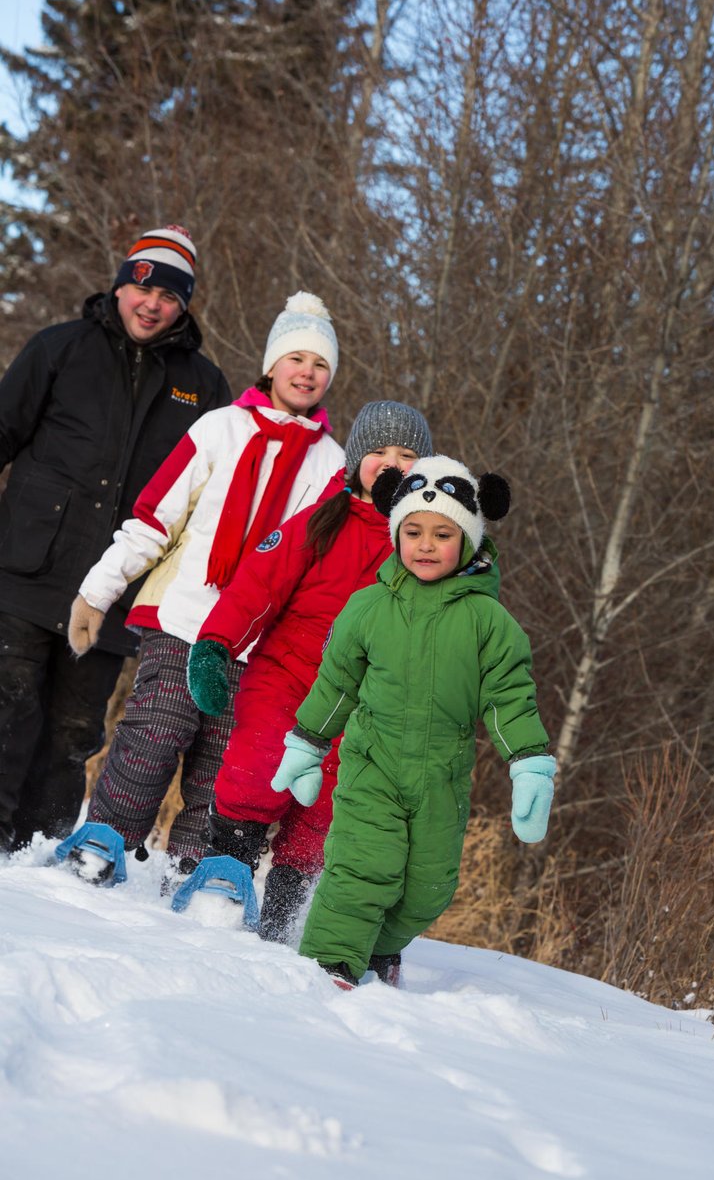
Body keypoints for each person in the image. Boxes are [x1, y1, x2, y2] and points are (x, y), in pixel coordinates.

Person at [65, 292, 344, 873]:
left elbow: (317, 569)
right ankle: (102, 844)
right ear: (272, 365)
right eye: (297, 359)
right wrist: (100, 587)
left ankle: (194, 871)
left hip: (257, 641)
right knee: (155, 732)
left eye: (320, 365)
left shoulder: (332, 466)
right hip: (185, 614)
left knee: (225, 758)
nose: (307, 372)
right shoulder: (220, 428)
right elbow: (155, 517)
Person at [269, 454, 557, 989]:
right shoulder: (367, 608)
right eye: (414, 531)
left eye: (443, 533)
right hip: (371, 767)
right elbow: (334, 687)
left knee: (430, 888)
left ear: (468, 541)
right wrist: (307, 745)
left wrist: (530, 765)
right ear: (396, 532)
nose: (426, 545)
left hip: (441, 778)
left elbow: (509, 700)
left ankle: (376, 949)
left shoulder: (490, 623)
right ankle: (328, 965)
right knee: (363, 870)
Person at [0, 225, 231, 851]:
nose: (151, 304)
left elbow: (213, 497)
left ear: (183, 305)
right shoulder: (60, 348)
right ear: (122, 285)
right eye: (142, 287)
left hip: (113, 594)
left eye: (169, 296)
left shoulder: (204, 387)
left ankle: (39, 853)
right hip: (23, 571)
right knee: (7, 712)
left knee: (74, 733)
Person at [186, 400, 433, 942]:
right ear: (354, 461)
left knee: (331, 802)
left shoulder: (426, 544)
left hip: (362, 700)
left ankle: (289, 910)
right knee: (261, 763)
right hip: (287, 676)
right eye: (379, 452)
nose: (392, 464)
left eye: (408, 454)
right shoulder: (322, 522)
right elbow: (258, 585)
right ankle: (227, 870)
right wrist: (216, 644)